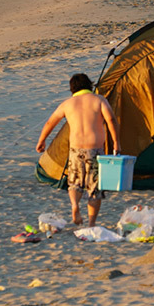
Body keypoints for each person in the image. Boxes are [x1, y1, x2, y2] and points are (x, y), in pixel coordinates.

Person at [36, 73, 119, 227]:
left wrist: (42, 140)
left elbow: (50, 123)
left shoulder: (67, 104)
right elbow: (111, 120)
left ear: (72, 89)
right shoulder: (99, 100)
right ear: (90, 85)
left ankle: (75, 205)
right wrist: (116, 143)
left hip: (75, 150)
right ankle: (91, 224)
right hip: (95, 150)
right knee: (94, 188)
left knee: (74, 183)